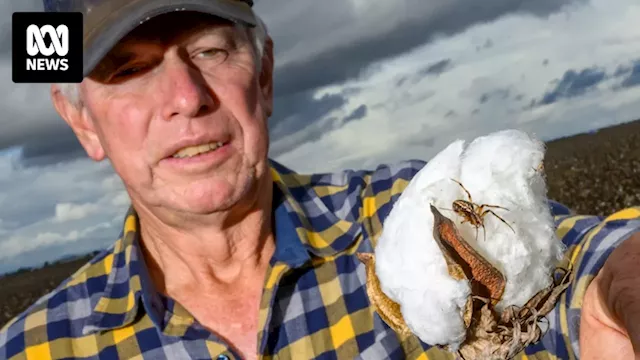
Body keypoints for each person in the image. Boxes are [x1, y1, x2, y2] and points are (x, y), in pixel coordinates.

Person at [1, 0, 639, 359]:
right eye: (129, 69)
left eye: (210, 51)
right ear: (81, 121)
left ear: (266, 74)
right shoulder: (35, 350)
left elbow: (574, 266)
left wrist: (616, 287)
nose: (185, 97)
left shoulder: (410, 219)